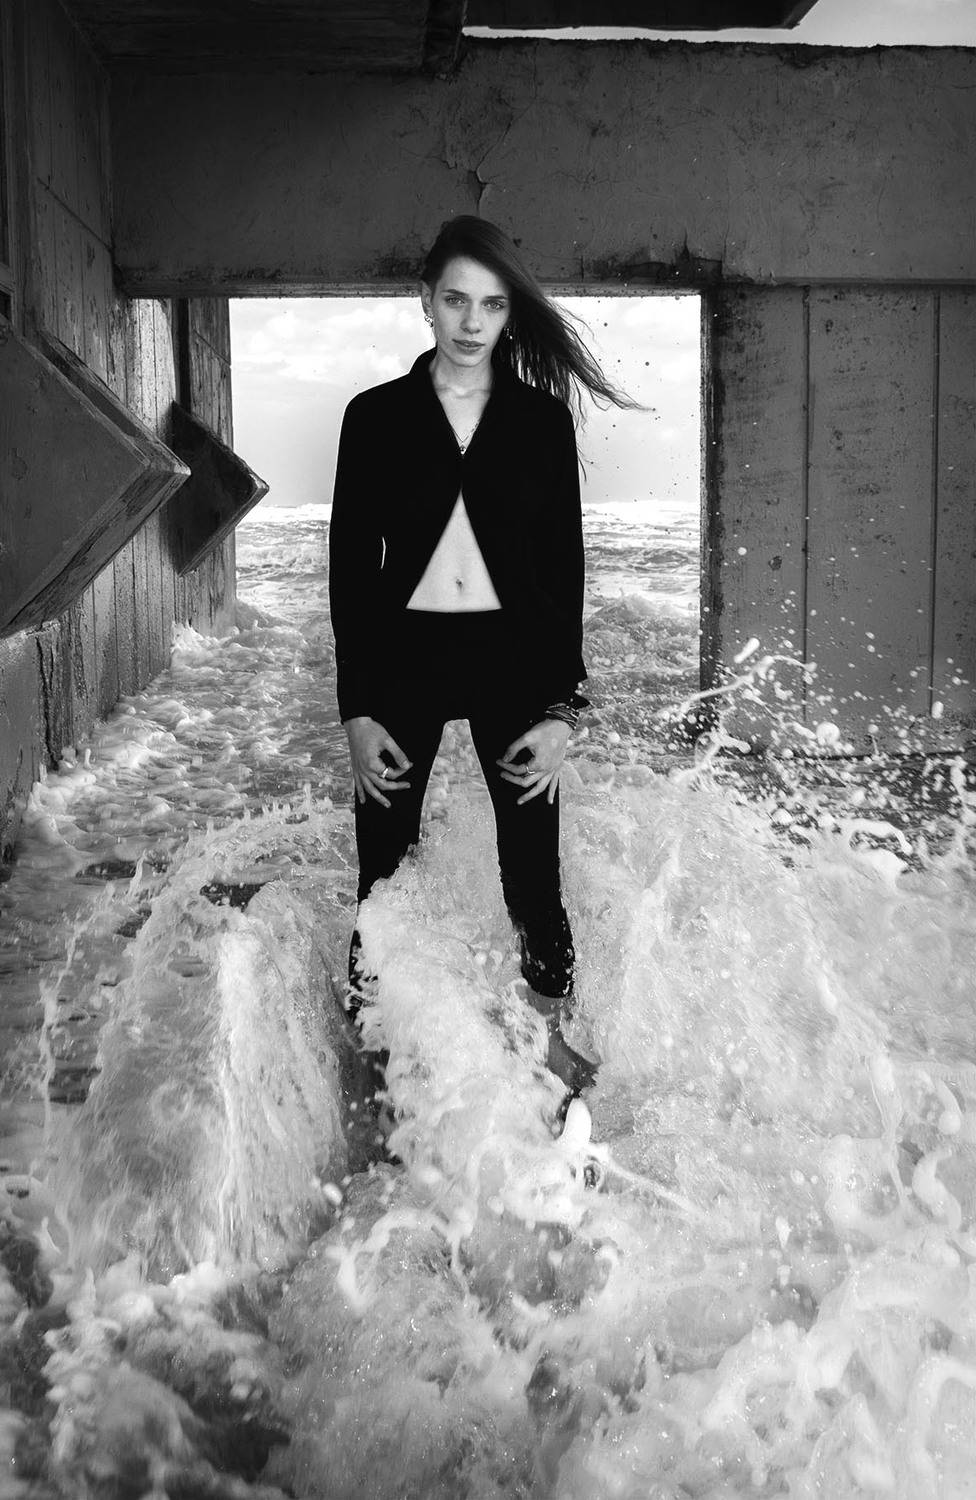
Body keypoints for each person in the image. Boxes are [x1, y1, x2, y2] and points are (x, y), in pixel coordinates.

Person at [328, 215, 632, 1107]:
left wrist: (563, 709)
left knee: (532, 873)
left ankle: (547, 1039)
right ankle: (375, 1055)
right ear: (425, 301)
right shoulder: (375, 417)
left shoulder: (539, 422)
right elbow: (351, 571)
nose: (472, 321)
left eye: (492, 305)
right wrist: (358, 710)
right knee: (384, 872)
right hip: (405, 665)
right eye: (456, 300)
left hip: (513, 664)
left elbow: (563, 571)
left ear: (508, 313)